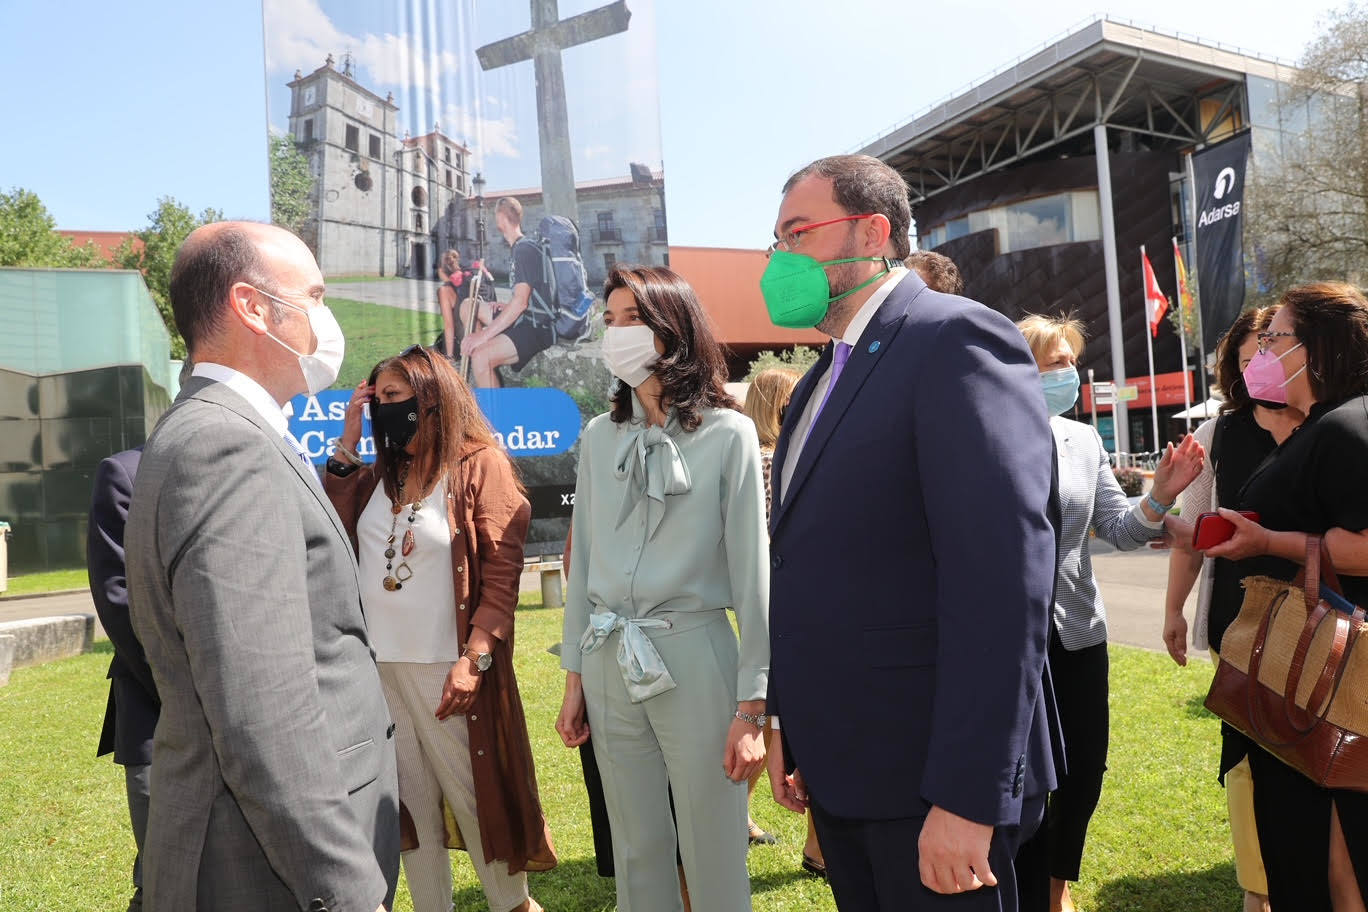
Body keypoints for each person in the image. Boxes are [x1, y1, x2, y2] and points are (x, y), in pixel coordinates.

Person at [761, 153, 1058, 912]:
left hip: (933, 784)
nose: (779, 257)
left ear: (873, 230)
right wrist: (798, 729)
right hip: (846, 769)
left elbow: (1000, 582)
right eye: (776, 238)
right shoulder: (817, 387)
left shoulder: (955, 340)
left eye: (798, 232)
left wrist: (967, 797)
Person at [124, 221, 399, 912]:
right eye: (314, 296)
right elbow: (261, 714)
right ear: (252, 307)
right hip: (263, 872)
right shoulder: (225, 444)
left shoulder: (219, 430)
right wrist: (348, 892)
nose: (325, 319)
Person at [555, 264, 770, 912]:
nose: (616, 333)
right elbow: (585, 562)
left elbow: (755, 577)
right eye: (610, 320)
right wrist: (574, 680)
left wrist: (754, 707)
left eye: (633, 319)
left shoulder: (728, 435)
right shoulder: (598, 436)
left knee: (714, 846)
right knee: (637, 849)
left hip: (696, 656)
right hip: (607, 658)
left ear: (672, 329)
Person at [325, 345, 556, 912]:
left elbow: (502, 579)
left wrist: (473, 659)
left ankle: (514, 904)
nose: (384, 408)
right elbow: (333, 523)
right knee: (411, 804)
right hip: (381, 669)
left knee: (475, 797)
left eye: (394, 398)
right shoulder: (385, 471)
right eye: (376, 398)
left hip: (446, 669)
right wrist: (350, 437)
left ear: (431, 398)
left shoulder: (480, 465)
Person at [1011, 314, 1204, 912]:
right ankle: (1022, 885)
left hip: (1077, 634)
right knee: (1020, 777)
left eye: (1071, 360)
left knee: (1083, 770)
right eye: (1055, 363)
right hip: (1011, 638)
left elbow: (1119, 528)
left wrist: (1161, 497)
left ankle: (1054, 887)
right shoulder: (980, 431)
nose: (1068, 373)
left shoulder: (1084, 439)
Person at [1198, 283, 1368, 911]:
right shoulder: (1321, 426)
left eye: (1275, 338)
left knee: (1336, 848)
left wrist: (1270, 539)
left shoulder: (1346, 427)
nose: (1262, 349)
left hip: (1329, 681)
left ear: (1314, 349)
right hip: (1305, 678)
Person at [1162, 307, 1302, 912]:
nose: (1259, 367)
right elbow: (1194, 532)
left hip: (1326, 627)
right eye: (1249, 357)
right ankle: (1257, 892)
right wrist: (1174, 610)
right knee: (1247, 761)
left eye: (1269, 352)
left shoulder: (1331, 425)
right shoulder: (1219, 434)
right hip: (1241, 628)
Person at [740, 367, 808, 856]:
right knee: (768, 718)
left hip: (764, 604)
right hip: (781, 604)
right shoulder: (772, 461)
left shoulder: (757, 457)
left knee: (766, 718)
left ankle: (738, 817)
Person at [87, 446, 159, 912]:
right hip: (156, 709)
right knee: (160, 873)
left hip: (252, 716)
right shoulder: (126, 472)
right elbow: (118, 597)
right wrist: (184, 687)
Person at [459, 198, 555, 388]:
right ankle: (482, 362)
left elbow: (521, 303)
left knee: (481, 357)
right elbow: (524, 295)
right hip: (523, 316)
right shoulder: (521, 247)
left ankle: (494, 416)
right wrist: (507, 305)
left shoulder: (524, 249)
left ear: (501, 218)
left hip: (537, 326)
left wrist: (482, 336)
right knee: (468, 305)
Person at [436, 248, 493, 360]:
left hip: (465, 339)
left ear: (442, 270)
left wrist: (449, 357)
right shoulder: (468, 276)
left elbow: (449, 326)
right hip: (482, 331)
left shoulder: (445, 290)